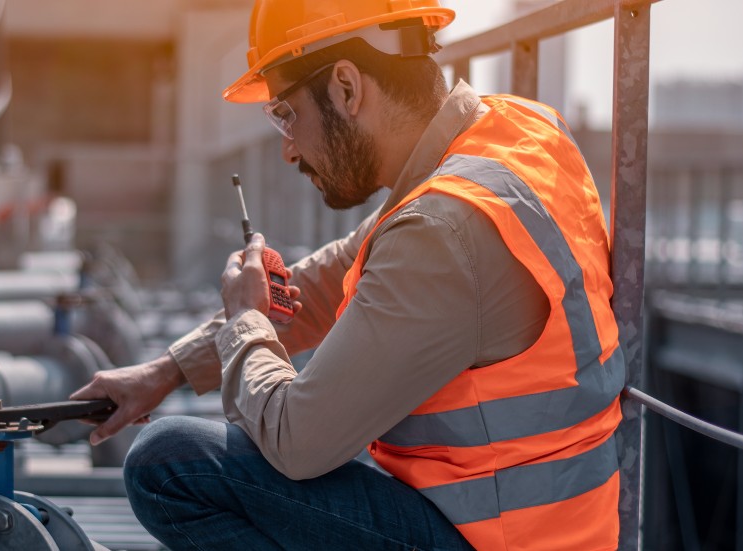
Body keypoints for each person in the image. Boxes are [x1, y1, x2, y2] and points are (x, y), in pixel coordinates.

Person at [69, 1, 624, 549]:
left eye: (285, 114)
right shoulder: (515, 134)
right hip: (547, 524)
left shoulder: (442, 230)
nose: (287, 151)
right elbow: (323, 281)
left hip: (491, 537)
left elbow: (297, 441)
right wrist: (164, 373)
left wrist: (245, 322)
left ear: (346, 87)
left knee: (169, 463)